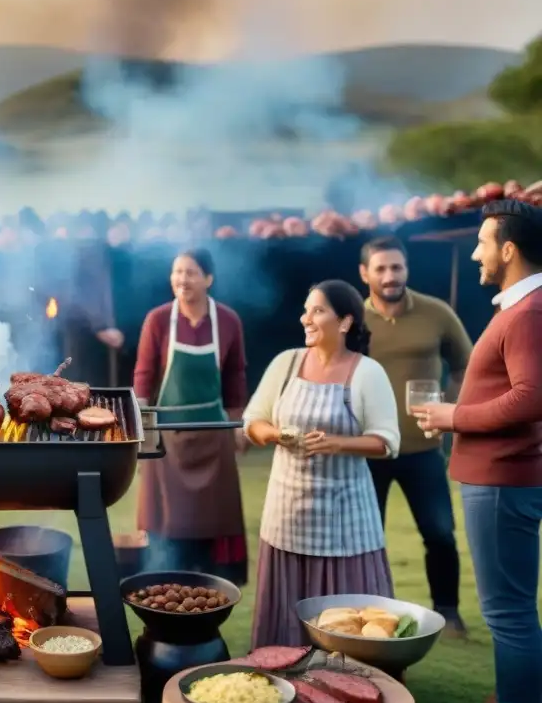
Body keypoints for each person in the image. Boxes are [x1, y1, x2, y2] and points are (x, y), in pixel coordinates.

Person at [415, 200, 542, 703]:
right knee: (511, 608)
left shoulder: (529, 312)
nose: (475, 252)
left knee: (508, 612)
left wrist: (452, 417)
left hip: (501, 481)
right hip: (499, 478)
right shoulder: (520, 307)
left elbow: (532, 397)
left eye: (483, 243)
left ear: (508, 250)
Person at [244, 280, 399, 648]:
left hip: (344, 520)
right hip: (286, 514)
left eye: (317, 310)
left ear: (344, 323)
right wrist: (275, 435)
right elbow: (253, 420)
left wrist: (337, 443)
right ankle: (286, 669)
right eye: (306, 309)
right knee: (288, 610)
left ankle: (351, 677)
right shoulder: (286, 363)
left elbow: (387, 441)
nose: (306, 318)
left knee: (344, 616)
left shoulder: (366, 372)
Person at [358, 235, 473, 636]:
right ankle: (362, 614)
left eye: (397, 267)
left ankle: (450, 612)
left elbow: (465, 366)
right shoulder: (351, 318)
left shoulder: (436, 313)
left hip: (423, 449)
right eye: (381, 268)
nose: (390, 276)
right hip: (368, 450)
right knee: (364, 540)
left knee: (440, 532)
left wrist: (453, 412)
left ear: (406, 269)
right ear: (365, 274)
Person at [133, 249, 249, 585]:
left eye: (191, 272)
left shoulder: (227, 321)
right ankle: (163, 580)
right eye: (177, 272)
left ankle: (211, 585)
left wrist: (238, 422)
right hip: (167, 440)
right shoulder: (157, 320)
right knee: (167, 522)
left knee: (213, 521)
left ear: (209, 279)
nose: (182, 279)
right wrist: (142, 427)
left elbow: (235, 376)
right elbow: (144, 375)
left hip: (214, 435)